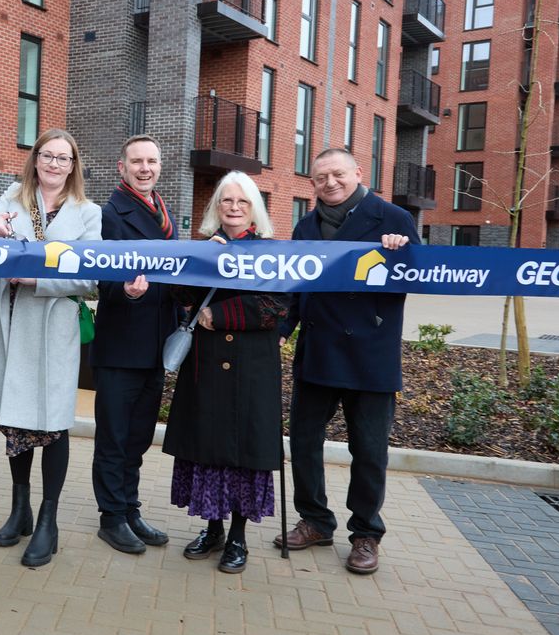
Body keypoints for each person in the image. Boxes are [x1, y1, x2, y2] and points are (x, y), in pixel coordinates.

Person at [0, 130, 101, 567]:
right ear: (35, 159)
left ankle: (48, 521)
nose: (54, 164)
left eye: (63, 158)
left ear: (74, 165)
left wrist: (39, 280)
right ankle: (20, 509)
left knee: (53, 424)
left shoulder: (89, 214)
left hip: (51, 330)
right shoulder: (11, 198)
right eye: (47, 155)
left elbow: (94, 279)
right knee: (15, 422)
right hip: (7, 326)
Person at [275, 148, 417, 575]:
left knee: (369, 450)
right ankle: (316, 521)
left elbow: (415, 276)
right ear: (312, 183)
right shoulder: (305, 226)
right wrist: (279, 333)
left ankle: (366, 533)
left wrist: (400, 252)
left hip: (370, 355)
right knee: (303, 443)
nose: (330, 183)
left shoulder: (393, 219)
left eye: (337, 174)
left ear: (358, 172)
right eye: (320, 177)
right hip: (318, 352)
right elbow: (297, 289)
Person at [163, 171, 288, 574]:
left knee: (242, 454)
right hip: (208, 367)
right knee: (208, 450)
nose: (233, 208)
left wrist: (221, 314)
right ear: (216, 207)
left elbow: (276, 305)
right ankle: (212, 528)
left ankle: (238, 537)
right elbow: (180, 297)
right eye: (226, 201)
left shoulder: (271, 250)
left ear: (255, 208)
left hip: (250, 367)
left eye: (242, 202)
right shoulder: (205, 247)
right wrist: (202, 265)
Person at [90, 135, 179, 554]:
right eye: (137, 162)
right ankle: (112, 517)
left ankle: (130, 507)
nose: (146, 168)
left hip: (156, 343)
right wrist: (125, 292)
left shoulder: (164, 212)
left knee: (139, 436)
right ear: (121, 168)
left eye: (152, 161)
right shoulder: (109, 215)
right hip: (122, 345)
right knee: (115, 437)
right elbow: (98, 276)